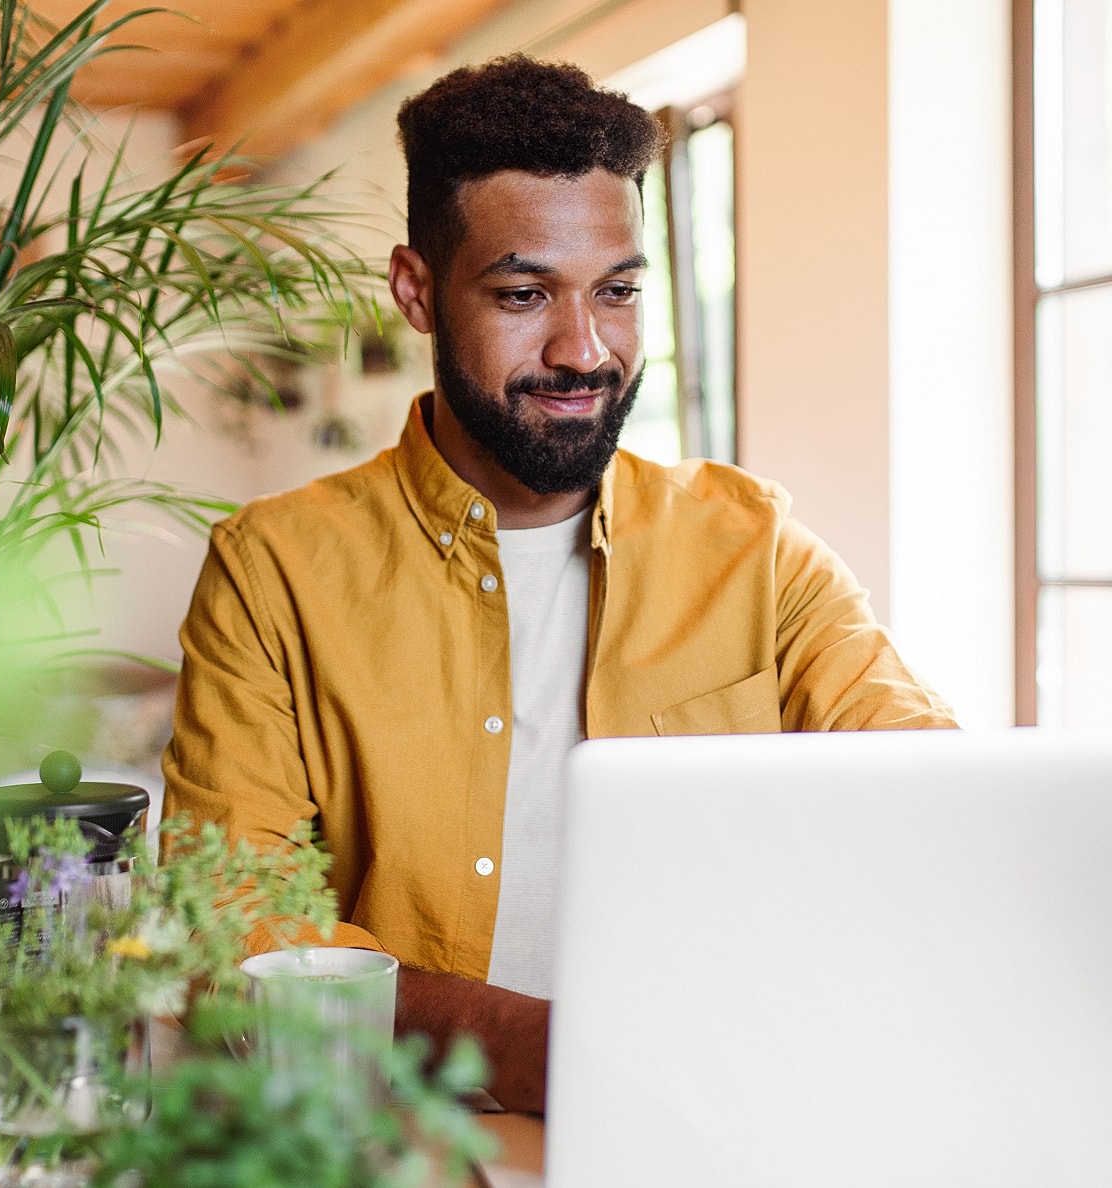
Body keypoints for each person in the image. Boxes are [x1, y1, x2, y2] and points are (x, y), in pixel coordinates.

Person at [162, 54, 956, 1115]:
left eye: (619, 291)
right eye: (525, 293)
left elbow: (933, 802)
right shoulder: (273, 572)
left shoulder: (756, 550)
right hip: (407, 1142)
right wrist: (538, 1050)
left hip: (713, 1120)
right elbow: (230, 921)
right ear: (416, 291)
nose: (585, 350)